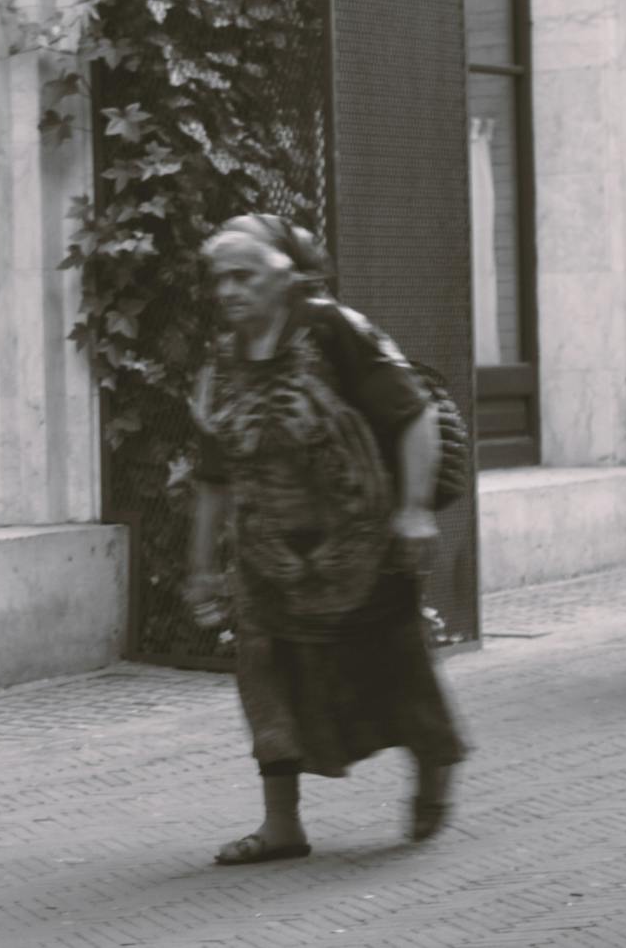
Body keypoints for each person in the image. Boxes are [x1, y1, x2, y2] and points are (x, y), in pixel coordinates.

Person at [184, 214, 467, 865]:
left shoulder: (336, 329)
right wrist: (202, 566)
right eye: (219, 278)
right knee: (264, 675)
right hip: (266, 556)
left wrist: (417, 509)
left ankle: (434, 762)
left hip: (364, 545)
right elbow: (213, 475)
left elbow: (413, 411)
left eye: (243, 275)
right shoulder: (222, 361)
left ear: (284, 277)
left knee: (396, 665)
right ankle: (281, 825)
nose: (228, 290)